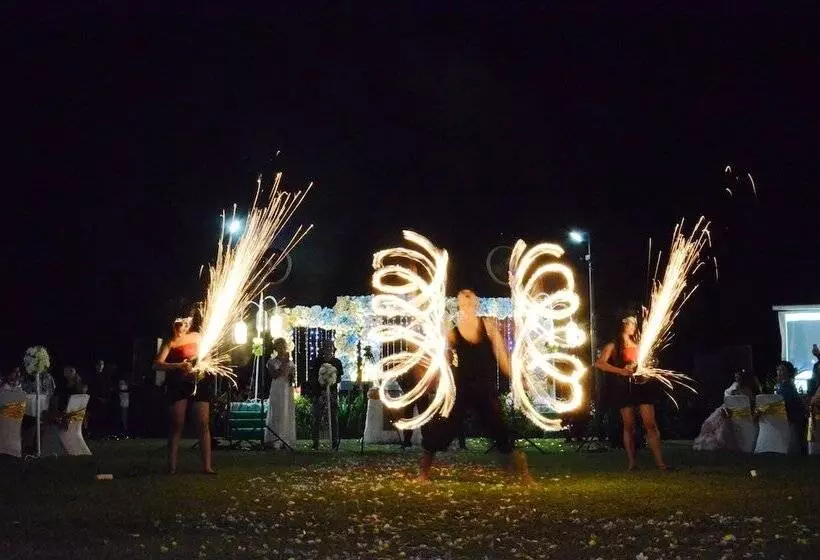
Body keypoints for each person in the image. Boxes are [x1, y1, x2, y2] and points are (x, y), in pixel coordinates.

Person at [418, 289, 531, 482]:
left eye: (470, 298)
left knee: (499, 430)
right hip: (462, 389)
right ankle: (423, 474)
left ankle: (526, 476)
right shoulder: (453, 332)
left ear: (476, 303)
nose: (467, 301)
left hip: (484, 389)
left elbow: (503, 358)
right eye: (463, 299)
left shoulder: (488, 326)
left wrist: (518, 377)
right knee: (442, 430)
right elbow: (440, 358)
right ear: (459, 304)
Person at [595, 316, 668, 471]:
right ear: (623, 325)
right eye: (631, 323)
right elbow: (600, 364)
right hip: (623, 388)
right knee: (629, 425)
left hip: (642, 386)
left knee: (650, 423)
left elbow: (649, 362)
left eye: (635, 323)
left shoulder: (640, 346)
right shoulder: (613, 346)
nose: (634, 326)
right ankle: (632, 462)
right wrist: (621, 371)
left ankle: (660, 462)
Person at [153, 312, 215, 474]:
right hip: (178, 384)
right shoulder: (170, 342)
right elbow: (157, 364)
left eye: (188, 324)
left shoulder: (197, 337)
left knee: (203, 422)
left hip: (199, 382)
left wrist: (200, 364)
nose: (185, 327)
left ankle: (207, 466)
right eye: (182, 324)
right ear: (175, 324)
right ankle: (172, 467)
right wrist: (178, 366)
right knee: (177, 424)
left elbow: (207, 357)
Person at [693, 369, 761, 451]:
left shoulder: (750, 389)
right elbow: (728, 398)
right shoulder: (734, 387)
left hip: (747, 416)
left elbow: (754, 401)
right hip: (733, 414)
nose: (736, 376)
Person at [307, 340, 343, 450]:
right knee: (317, 416)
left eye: (330, 346)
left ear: (333, 348)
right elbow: (312, 377)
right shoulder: (317, 361)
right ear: (323, 348)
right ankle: (315, 442)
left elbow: (339, 377)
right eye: (326, 346)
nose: (328, 348)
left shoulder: (337, 362)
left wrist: (330, 382)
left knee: (333, 416)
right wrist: (320, 387)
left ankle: (334, 441)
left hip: (332, 392)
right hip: (319, 393)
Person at [265, 337, 296, 449]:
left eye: (283, 345)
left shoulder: (290, 362)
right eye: (280, 345)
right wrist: (284, 362)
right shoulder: (271, 362)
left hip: (287, 389)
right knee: (277, 411)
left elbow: (291, 378)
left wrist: (291, 375)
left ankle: (285, 438)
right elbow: (275, 375)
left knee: (286, 411)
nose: (282, 347)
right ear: (276, 347)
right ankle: (275, 438)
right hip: (277, 388)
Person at [774, 360, 807, 455]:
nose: (779, 372)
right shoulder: (781, 386)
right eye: (778, 370)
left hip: (793, 419)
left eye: (782, 370)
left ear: (788, 372)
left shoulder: (787, 387)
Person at [86, 359, 109, 439]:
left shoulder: (105, 375)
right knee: (94, 417)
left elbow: (107, 387)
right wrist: (98, 398)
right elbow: (91, 389)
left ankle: (100, 433)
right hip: (95, 400)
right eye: (98, 364)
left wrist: (106, 398)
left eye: (102, 365)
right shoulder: (92, 376)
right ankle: (93, 433)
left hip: (103, 400)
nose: (100, 366)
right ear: (96, 366)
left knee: (102, 417)